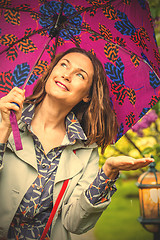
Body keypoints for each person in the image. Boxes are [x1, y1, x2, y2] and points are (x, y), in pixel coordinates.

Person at [0, 47, 153, 240]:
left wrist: (108, 173)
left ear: (86, 96)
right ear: (50, 73)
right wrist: (3, 129)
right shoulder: (6, 116)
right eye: (63, 64)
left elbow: (75, 223)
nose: (67, 74)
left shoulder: (84, 148)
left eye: (80, 75)